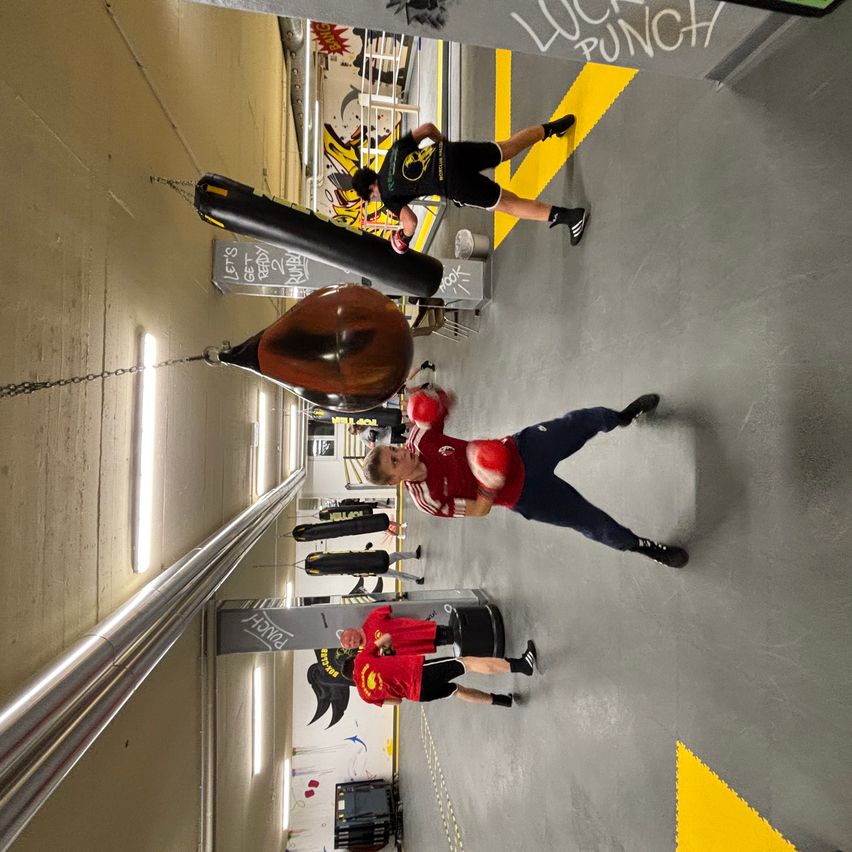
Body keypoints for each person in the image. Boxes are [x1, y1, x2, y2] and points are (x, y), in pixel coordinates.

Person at [362, 387, 689, 568]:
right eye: (395, 460)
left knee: (581, 421)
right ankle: (643, 547)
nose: (402, 452)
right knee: (592, 523)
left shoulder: (418, 440)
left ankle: (623, 417)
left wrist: (436, 402)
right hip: (523, 494)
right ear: (395, 481)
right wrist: (490, 483)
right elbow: (478, 510)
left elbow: (436, 412)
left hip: (522, 449)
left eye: (395, 449)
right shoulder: (427, 500)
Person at [351, 119, 588, 249]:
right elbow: (427, 129)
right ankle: (553, 127)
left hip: (453, 183)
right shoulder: (393, 151)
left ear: (371, 190)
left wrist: (402, 239)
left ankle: (570, 217)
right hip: (453, 152)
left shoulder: (389, 197)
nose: (375, 198)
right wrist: (444, 147)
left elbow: (410, 222)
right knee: (505, 148)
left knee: (508, 203)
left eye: (372, 197)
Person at [354, 633, 538, 708]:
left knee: (457, 691)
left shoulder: (365, 695)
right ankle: (522, 665)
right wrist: (389, 656)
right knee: (468, 663)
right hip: (421, 673)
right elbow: (386, 637)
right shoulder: (361, 659)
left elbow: (396, 702)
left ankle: (503, 701)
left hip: (419, 695)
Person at [340, 605, 454, 655]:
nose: (352, 642)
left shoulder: (372, 619)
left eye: (350, 639)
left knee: (452, 632)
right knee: (450, 641)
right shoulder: (370, 652)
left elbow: (391, 606)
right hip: (416, 647)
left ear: (352, 629)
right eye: (350, 645)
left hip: (421, 631)